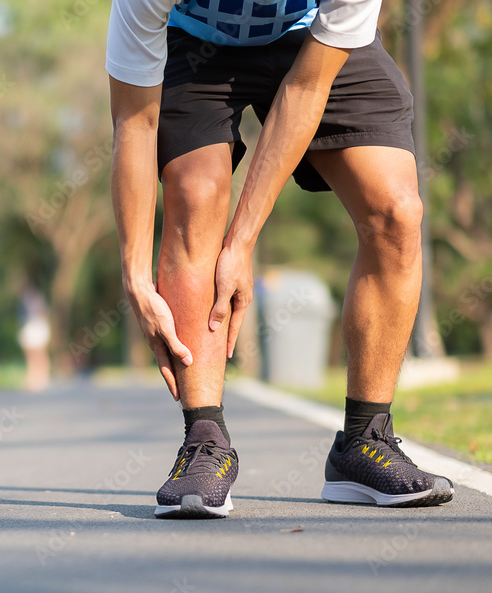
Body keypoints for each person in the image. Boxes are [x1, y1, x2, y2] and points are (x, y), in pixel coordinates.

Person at [106, 0, 454, 518]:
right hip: (193, 42)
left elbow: (306, 87)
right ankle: (205, 441)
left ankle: (364, 440)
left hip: (312, 41)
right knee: (195, 193)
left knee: (395, 211)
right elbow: (135, 123)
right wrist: (136, 278)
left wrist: (242, 243)